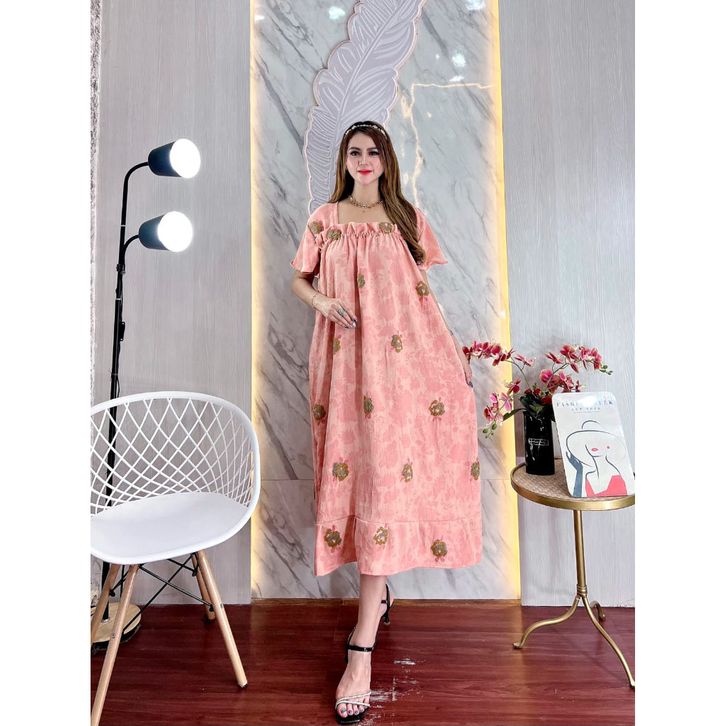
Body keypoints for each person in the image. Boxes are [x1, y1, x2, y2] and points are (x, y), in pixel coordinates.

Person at [290, 120, 483, 723]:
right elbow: (298, 278)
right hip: (344, 368)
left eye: (374, 151)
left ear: (387, 158)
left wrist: (453, 361)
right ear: (344, 160)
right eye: (355, 151)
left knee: (384, 486)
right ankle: (375, 606)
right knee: (360, 481)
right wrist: (323, 301)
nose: (365, 160)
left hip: (401, 374)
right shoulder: (326, 219)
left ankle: (361, 649)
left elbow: (422, 300)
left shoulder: (406, 219)